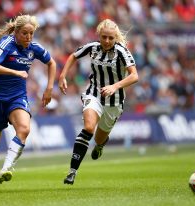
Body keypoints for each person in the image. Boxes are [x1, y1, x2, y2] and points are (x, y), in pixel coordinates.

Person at [59, 19, 139, 185]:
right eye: (104, 37)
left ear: (115, 37)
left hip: (114, 101)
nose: (107, 41)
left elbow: (134, 75)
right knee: (88, 127)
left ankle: (100, 145)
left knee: (99, 138)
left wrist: (115, 86)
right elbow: (73, 56)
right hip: (93, 94)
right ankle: (72, 172)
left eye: (110, 38)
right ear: (99, 36)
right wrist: (62, 76)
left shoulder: (122, 51)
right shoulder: (92, 47)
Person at [0, 14, 56, 184]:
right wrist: (15, 72)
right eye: (25, 33)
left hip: (17, 97)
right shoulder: (6, 44)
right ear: (16, 31)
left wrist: (49, 88)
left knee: (24, 129)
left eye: (31, 34)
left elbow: (51, 63)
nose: (28, 37)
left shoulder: (34, 48)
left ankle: (6, 169)